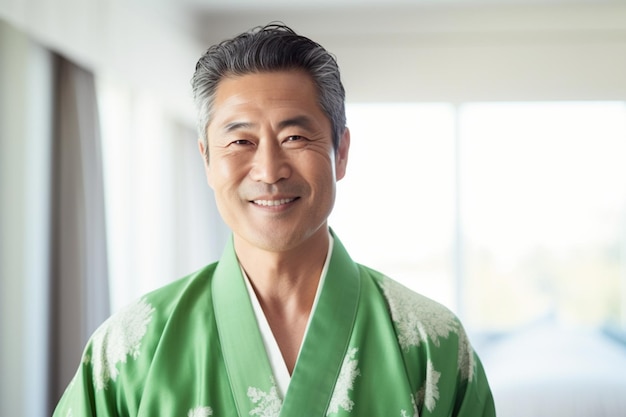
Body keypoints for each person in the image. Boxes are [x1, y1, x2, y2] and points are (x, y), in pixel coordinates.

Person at [53, 23, 495, 417]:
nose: (269, 170)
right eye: (241, 140)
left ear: (340, 152)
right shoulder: (129, 350)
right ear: (206, 159)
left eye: (295, 136)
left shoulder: (431, 344)